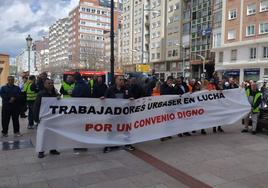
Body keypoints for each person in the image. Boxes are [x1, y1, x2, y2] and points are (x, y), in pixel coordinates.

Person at [103, 75, 135, 153]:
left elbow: (131, 98)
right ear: (116, 81)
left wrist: (132, 99)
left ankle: (127, 143)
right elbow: (105, 100)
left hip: (124, 114)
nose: (122, 81)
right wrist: (102, 99)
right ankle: (111, 144)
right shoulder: (110, 89)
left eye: (123, 80)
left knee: (126, 128)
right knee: (112, 129)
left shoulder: (127, 89)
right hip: (113, 114)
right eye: (120, 79)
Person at [33, 79, 61, 158]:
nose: (51, 84)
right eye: (49, 83)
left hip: (52, 118)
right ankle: (41, 151)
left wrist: (58, 97)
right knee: (43, 135)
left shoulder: (55, 93)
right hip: (44, 118)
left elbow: (58, 100)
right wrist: (36, 118)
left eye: (52, 83)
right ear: (45, 84)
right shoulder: (41, 94)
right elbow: (36, 106)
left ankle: (53, 149)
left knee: (53, 134)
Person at [71, 72, 91, 152]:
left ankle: (79, 145)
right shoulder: (86, 84)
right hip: (85, 108)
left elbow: (75, 96)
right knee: (83, 127)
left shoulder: (78, 86)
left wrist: (72, 94)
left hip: (79, 109)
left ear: (75, 78)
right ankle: (83, 143)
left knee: (78, 127)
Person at [160, 76, 176, 141]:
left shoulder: (172, 86)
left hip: (170, 105)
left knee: (169, 120)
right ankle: (162, 135)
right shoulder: (163, 86)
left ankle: (168, 133)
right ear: (167, 80)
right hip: (164, 105)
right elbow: (163, 93)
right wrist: (169, 88)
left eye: (172, 81)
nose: (171, 82)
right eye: (170, 81)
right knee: (164, 121)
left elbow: (174, 94)